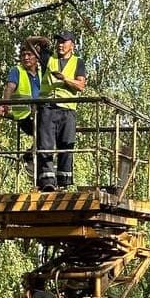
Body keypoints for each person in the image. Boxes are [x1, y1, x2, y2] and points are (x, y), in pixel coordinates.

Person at [37, 30, 87, 191]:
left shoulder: (78, 62)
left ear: (72, 45)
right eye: (58, 41)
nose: (60, 44)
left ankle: (64, 182)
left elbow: (80, 86)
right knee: (45, 145)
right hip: (47, 107)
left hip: (67, 108)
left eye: (64, 41)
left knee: (66, 145)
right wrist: (40, 39)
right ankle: (47, 182)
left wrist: (64, 79)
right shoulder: (48, 58)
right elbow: (29, 44)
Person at [0, 40, 46, 176]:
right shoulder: (17, 71)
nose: (26, 58)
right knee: (45, 132)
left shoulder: (42, 73)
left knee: (52, 133)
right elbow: (9, 88)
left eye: (29, 54)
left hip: (40, 114)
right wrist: (4, 106)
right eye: (23, 55)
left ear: (37, 57)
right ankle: (31, 157)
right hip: (24, 116)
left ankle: (43, 170)